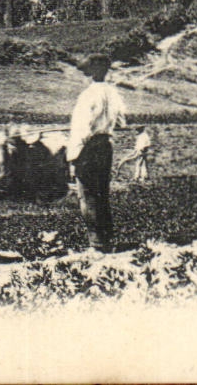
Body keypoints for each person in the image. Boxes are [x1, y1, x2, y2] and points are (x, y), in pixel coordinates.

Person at [67, 53, 126, 252]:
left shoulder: (88, 95)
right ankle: (107, 239)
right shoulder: (113, 92)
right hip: (105, 146)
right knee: (102, 194)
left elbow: (81, 129)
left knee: (87, 195)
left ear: (91, 72)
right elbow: (121, 121)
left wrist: (73, 157)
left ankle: (96, 243)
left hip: (89, 148)